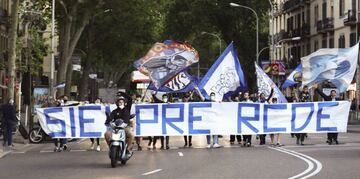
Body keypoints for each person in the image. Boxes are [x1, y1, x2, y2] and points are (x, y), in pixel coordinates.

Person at [105, 92, 134, 156]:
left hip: (125, 127)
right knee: (106, 134)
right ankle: (110, 147)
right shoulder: (114, 111)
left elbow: (130, 99)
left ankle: (128, 149)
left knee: (131, 134)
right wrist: (108, 121)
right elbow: (110, 118)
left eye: (122, 102)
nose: (121, 103)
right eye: (119, 102)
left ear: (124, 103)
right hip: (115, 128)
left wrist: (123, 94)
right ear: (117, 103)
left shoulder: (127, 109)